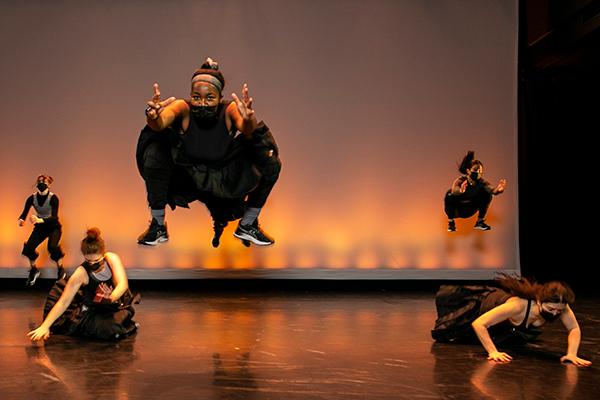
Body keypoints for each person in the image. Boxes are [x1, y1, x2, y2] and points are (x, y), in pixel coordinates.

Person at [136, 57, 281, 247]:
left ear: (220, 98)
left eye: (210, 98)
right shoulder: (183, 108)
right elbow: (161, 122)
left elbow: (246, 128)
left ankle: (248, 223)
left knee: (269, 160)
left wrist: (248, 120)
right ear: (191, 96)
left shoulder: (228, 110)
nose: (203, 103)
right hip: (187, 176)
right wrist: (153, 116)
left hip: (224, 176)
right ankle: (158, 225)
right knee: (156, 149)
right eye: (197, 97)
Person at [431, 274, 592, 366]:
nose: (556, 313)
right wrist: (493, 352)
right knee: (457, 334)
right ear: (538, 301)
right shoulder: (517, 306)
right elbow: (479, 324)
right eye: (551, 309)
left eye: (559, 310)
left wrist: (572, 354)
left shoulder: (560, 306)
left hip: (510, 326)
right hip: (485, 306)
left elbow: (574, 329)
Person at [27, 228, 139, 342]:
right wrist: (45, 326)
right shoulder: (81, 273)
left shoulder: (112, 258)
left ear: (103, 253)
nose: (93, 264)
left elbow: (123, 284)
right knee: (107, 330)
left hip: (115, 302)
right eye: (88, 261)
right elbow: (64, 301)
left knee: (120, 319)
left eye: (97, 261)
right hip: (96, 309)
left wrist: (110, 298)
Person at [18, 174, 66, 286]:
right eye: (39, 182)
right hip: (41, 228)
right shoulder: (32, 198)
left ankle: (60, 269)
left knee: (52, 247)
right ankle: (34, 270)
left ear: (49, 185)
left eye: (44, 182)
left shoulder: (53, 198)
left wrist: (41, 220)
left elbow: (55, 217)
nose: (41, 184)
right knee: (29, 247)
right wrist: (21, 219)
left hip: (53, 227)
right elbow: (24, 212)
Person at [444, 151, 506, 232]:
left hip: (470, 209)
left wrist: (498, 190)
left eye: (480, 171)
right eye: (476, 170)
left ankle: (480, 222)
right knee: (449, 194)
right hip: (458, 210)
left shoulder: (482, 182)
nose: (478, 173)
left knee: (487, 194)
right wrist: (460, 191)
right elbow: (454, 191)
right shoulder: (461, 180)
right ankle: (451, 223)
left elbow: (492, 190)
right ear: (468, 171)